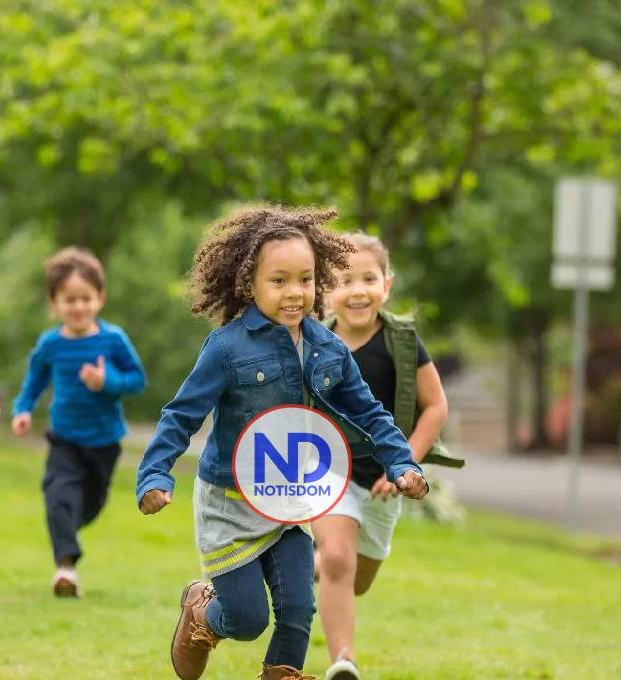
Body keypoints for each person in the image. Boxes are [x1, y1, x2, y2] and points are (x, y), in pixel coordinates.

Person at [135, 206, 429, 680]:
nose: (295, 292)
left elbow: (369, 411)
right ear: (249, 284)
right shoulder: (227, 348)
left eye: (306, 279)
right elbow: (181, 415)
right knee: (248, 620)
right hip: (230, 504)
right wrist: (154, 473)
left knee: (297, 610)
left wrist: (402, 463)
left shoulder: (328, 348)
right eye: (279, 280)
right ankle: (201, 613)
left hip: (289, 500)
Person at [314, 233, 450, 680]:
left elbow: (436, 406)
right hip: (327, 472)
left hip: (382, 484)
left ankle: (309, 569)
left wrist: (404, 465)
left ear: (386, 286)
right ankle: (344, 661)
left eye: (368, 278)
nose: (357, 290)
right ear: (324, 290)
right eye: (344, 280)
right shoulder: (310, 342)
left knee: (357, 581)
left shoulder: (403, 342)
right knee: (337, 558)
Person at [11, 247, 147, 597]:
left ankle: (67, 529)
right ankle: (66, 569)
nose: (78, 307)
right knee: (58, 495)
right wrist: (23, 409)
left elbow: (137, 380)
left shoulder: (112, 340)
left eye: (85, 298)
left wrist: (107, 382)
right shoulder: (50, 344)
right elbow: (35, 380)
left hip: (104, 441)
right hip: (65, 438)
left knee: (88, 506)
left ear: (99, 298)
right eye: (69, 299)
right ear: (54, 303)